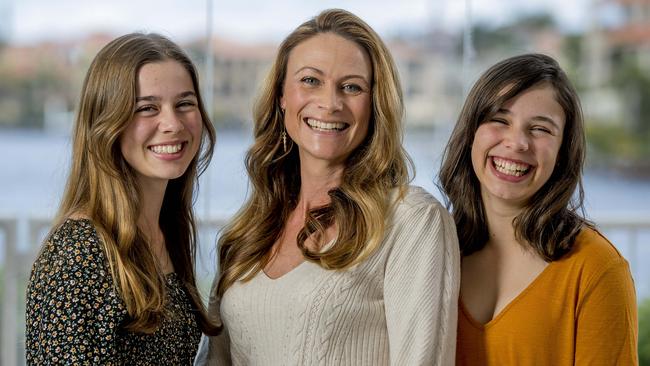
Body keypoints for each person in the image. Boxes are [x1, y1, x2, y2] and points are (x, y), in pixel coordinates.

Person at [196, 8, 459, 366]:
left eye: (351, 87)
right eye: (310, 80)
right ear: (281, 96)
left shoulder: (413, 222)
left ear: (375, 104)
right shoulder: (246, 233)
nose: (330, 103)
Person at [25, 32, 219, 365]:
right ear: (106, 124)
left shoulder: (164, 232)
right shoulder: (78, 250)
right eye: (147, 108)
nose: (172, 123)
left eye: (185, 103)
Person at [439, 53, 638, 365]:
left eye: (541, 129)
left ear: (562, 151)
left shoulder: (596, 269)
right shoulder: (436, 252)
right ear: (471, 134)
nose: (518, 142)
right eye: (500, 120)